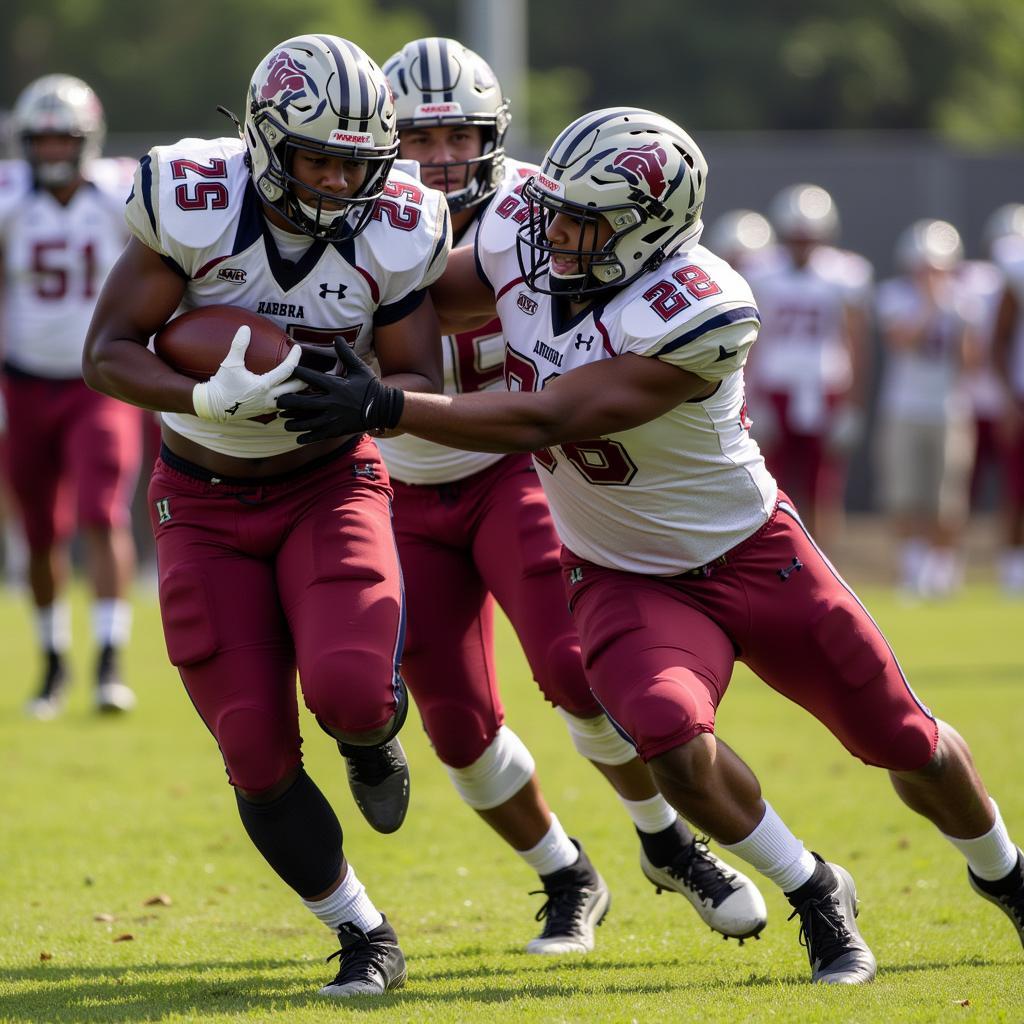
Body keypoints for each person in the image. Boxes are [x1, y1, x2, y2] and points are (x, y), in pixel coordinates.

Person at [278, 107, 1024, 985]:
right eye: (551, 208)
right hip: (623, 574)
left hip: (752, 555)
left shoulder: (703, 304)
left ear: (651, 229)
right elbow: (418, 298)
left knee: (904, 739)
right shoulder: (532, 232)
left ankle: (1004, 875)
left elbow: (552, 414)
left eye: (581, 220)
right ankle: (817, 890)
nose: (551, 231)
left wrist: (384, 405)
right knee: (667, 738)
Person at [376, 37, 766, 954]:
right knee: (459, 726)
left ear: (493, 134)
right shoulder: (353, 214)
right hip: (399, 483)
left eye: (457, 135)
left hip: (520, 466)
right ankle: (565, 872)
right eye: (417, 139)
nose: (438, 159)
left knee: (575, 670)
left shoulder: (542, 208)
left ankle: (667, 840)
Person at [82, 35, 453, 998]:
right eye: (317, 158)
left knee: (350, 688)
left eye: (356, 162)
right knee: (251, 742)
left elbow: (420, 373)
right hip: (201, 498)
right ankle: (364, 933)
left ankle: (373, 735)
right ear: (262, 142)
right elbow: (110, 351)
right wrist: (201, 399)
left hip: (327, 483)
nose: (337, 181)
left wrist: (367, 397)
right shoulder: (194, 201)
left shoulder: (401, 225)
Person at [0, 74, 141, 718]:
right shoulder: (10, 201)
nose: (53, 151)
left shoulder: (118, 195)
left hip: (98, 383)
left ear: (87, 141)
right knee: (37, 531)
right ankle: (52, 662)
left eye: (64, 139)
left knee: (100, 510)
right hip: (23, 381)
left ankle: (109, 660)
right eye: (42, 140)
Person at [743, 184, 871, 547]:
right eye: (796, 238)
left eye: (809, 237)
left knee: (822, 487)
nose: (803, 245)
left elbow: (855, 341)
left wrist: (853, 405)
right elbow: (751, 341)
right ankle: (776, 562)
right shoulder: (761, 271)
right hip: (776, 385)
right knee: (769, 487)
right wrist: (751, 397)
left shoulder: (844, 274)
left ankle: (822, 561)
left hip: (824, 386)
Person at [875, 220, 978, 598]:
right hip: (903, 407)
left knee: (947, 499)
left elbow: (971, 362)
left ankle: (941, 572)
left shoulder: (965, 300)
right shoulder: (894, 296)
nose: (931, 275)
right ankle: (912, 569)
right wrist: (931, 306)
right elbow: (902, 341)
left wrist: (961, 321)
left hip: (950, 408)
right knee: (904, 495)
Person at [991, 214, 1024, 594]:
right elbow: (999, 339)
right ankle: (1014, 574)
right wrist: (1007, 397)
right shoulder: (1016, 267)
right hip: (1021, 392)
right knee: (1016, 488)